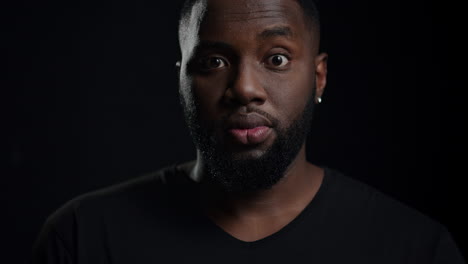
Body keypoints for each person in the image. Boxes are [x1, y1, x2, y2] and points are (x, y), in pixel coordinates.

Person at [31, 0, 466, 263]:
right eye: (214, 62)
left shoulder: (414, 250)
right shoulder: (83, 241)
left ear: (319, 78)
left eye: (276, 58)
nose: (244, 88)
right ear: (182, 80)